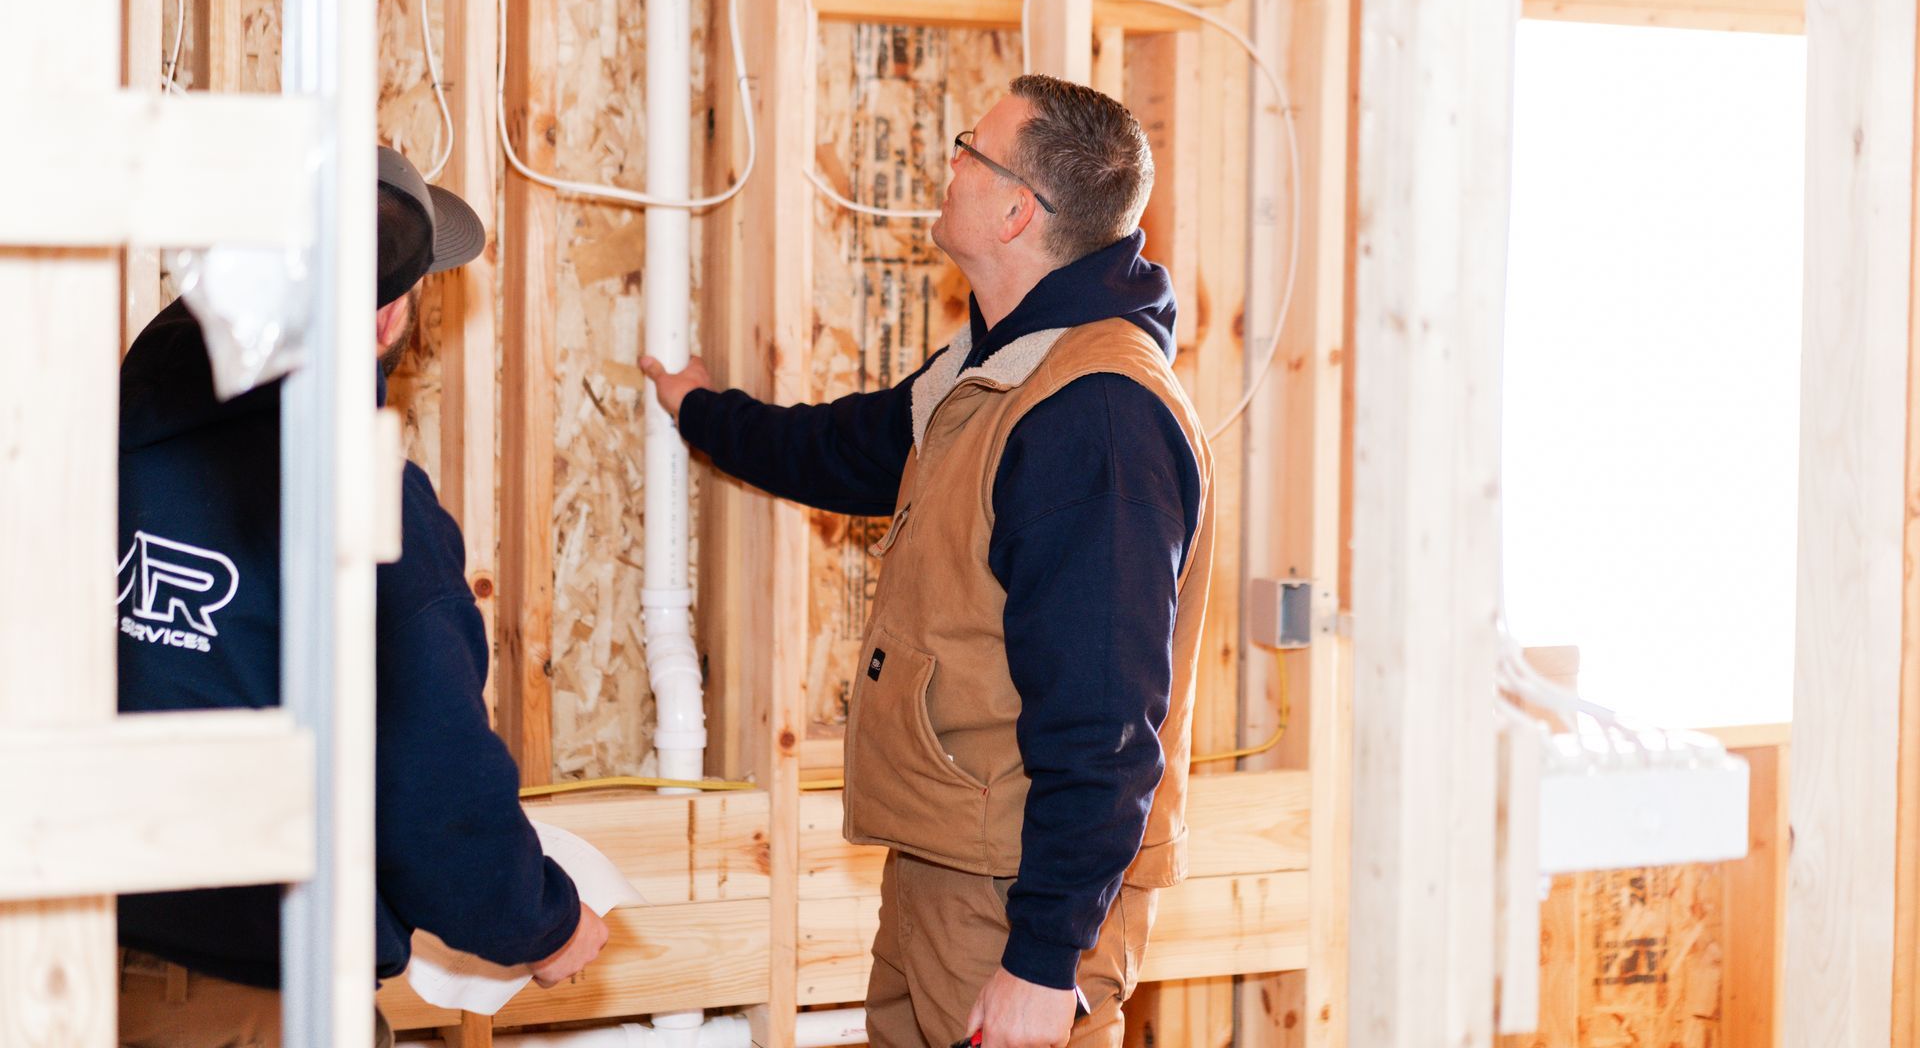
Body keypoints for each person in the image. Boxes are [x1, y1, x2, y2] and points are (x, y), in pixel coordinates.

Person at [642, 75, 1215, 1048]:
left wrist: (1043, 957)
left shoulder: (1095, 415)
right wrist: (703, 410)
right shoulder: (998, 364)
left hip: (1016, 893)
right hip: (951, 862)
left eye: (967, 149)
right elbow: (852, 448)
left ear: (1014, 208)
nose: (944, 165)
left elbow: (1110, 720)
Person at [115, 146, 607, 1047]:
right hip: (258, 998)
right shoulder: (365, 504)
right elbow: (426, 769)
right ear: (386, 314)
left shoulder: (95, 439)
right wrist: (545, 921)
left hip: (63, 970)